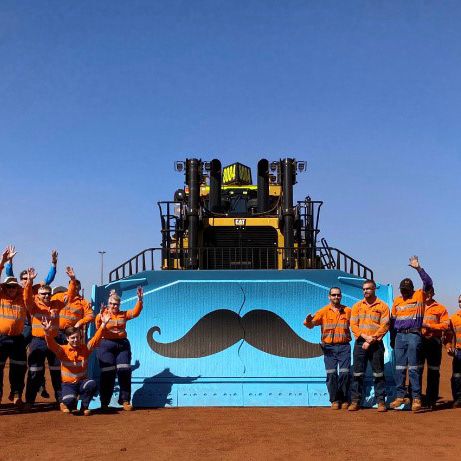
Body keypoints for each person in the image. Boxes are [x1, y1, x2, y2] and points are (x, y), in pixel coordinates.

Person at [7, 246, 58, 399]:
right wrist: (9, 261)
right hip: (21, 327)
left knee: (37, 355)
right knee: (21, 359)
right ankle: (16, 390)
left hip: (34, 326)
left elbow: (49, 279)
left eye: (28, 278)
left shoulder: (37, 289)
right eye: (23, 279)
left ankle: (40, 384)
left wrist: (54, 263)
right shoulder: (15, 289)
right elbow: (9, 274)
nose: (25, 281)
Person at [23, 266, 77, 409]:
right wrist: (29, 282)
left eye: (48, 294)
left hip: (53, 342)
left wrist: (72, 280)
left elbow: (69, 297)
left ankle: (61, 401)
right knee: (34, 372)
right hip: (38, 342)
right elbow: (26, 297)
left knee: (56, 372)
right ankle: (29, 401)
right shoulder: (33, 306)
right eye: (43, 294)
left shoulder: (56, 304)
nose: (46, 296)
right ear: (38, 294)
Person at [42, 310, 111, 415]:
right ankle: (67, 403)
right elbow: (52, 344)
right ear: (67, 338)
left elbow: (95, 340)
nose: (75, 340)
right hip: (68, 385)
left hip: (82, 382)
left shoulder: (85, 349)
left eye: (77, 337)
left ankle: (84, 407)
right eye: (72, 338)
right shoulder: (62, 350)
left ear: (80, 338)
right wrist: (47, 333)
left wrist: (103, 325)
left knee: (91, 384)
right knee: (70, 401)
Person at [389, 256, 433, 411]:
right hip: (400, 336)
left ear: (412, 289)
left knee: (414, 368)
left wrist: (418, 268)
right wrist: (393, 339)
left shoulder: (419, 295)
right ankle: (400, 397)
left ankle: (416, 398)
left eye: (407, 290)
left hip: (414, 335)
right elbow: (392, 322)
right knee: (399, 368)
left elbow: (428, 283)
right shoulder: (397, 301)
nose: (404, 292)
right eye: (402, 290)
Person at [95, 287, 144, 411]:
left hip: (122, 345)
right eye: (111, 304)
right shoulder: (103, 314)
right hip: (106, 345)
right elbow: (97, 327)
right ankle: (104, 402)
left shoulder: (123, 314)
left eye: (116, 304)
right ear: (108, 304)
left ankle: (125, 400)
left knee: (124, 370)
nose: (114, 306)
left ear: (119, 305)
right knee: (108, 373)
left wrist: (140, 300)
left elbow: (135, 312)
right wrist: (100, 317)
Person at [304, 287, 351, 410]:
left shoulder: (348, 311)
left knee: (345, 373)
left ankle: (344, 398)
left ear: (341, 296)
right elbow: (311, 324)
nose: (336, 297)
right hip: (329, 348)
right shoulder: (323, 311)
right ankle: (335, 400)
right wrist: (308, 321)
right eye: (333, 295)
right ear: (329, 296)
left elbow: (356, 325)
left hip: (344, 346)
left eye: (338, 295)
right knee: (332, 374)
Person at [349, 279, 390, 412]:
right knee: (357, 373)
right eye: (364, 289)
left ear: (374, 289)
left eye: (368, 288)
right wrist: (365, 337)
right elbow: (353, 325)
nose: (365, 291)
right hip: (361, 342)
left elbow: (385, 326)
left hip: (376, 344)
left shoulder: (383, 306)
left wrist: (371, 339)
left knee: (378, 374)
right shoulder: (357, 306)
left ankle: (381, 402)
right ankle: (355, 401)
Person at [0, 247, 28, 407]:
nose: (11, 289)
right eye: (9, 286)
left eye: (14, 287)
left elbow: (29, 289)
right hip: (1, 339)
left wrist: (29, 280)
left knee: (19, 368)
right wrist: (4, 261)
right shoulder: (1, 296)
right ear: (5, 287)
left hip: (17, 339)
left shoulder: (22, 298)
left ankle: (17, 394)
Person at [421, 286, 449, 409]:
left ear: (433, 293)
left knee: (433, 371)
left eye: (430, 292)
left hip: (433, 342)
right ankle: (415, 398)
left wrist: (429, 325)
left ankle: (431, 399)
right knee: (416, 371)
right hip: (418, 342)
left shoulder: (441, 308)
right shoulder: (417, 306)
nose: (427, 294)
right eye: (425, 291)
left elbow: (445, 325)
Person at [444, 294, 461, 408]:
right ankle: (459, 399)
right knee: (457, 376)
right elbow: (448, 337)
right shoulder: (454, 318)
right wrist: (448, 346)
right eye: (460, 301)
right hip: (459, 352)